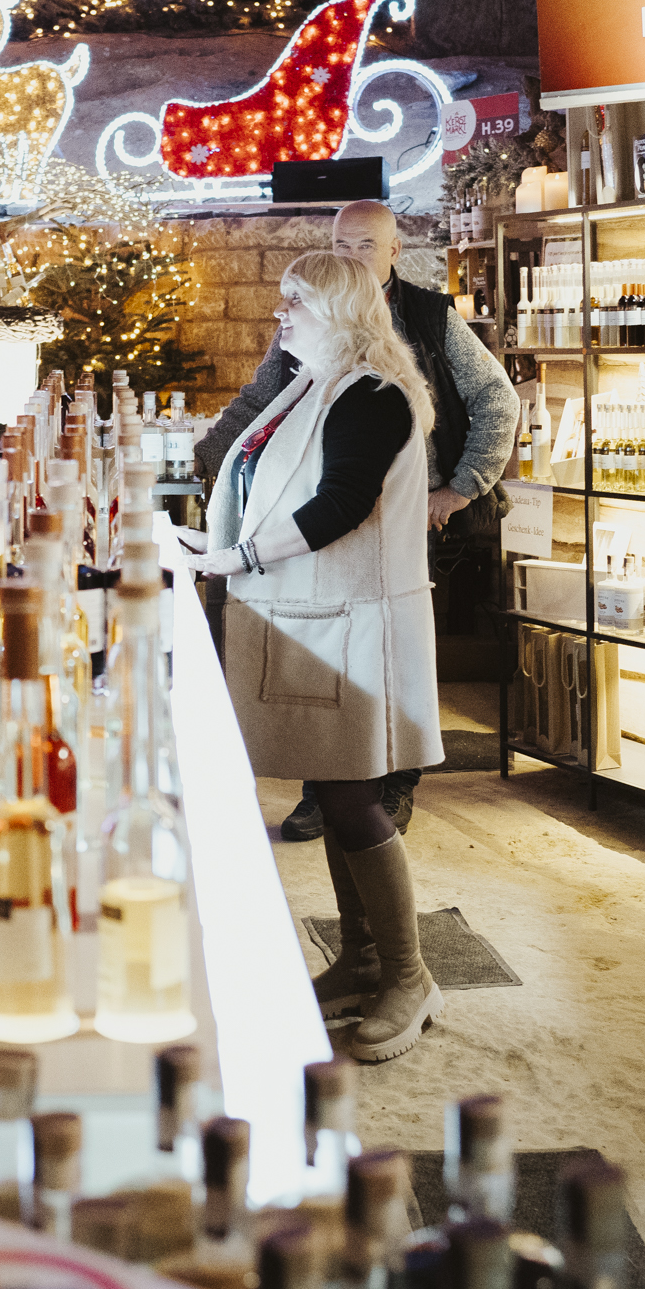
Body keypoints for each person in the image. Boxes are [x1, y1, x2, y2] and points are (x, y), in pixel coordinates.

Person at [197, 198, 518, 841]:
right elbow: (263, 401)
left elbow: (496, 401)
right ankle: (336, 786)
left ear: (394, 251)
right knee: (334, 674)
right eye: (341, 245)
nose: (350, 257)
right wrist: (214, 461)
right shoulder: (312, 332)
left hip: (403, 515)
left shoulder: (421, 326)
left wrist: (458, 490)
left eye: (364, 247)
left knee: (374, 664)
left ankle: (379, 788)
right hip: (327, 529)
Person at [195, 250, 446, 1062]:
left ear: (338, 310)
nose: (280, 315)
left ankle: (409, 976)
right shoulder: (323, 383)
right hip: (317, 617)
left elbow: (340, 503)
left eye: (294, 302)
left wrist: (242, 557)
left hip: (354, 622)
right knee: (333, 791)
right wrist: (220, 539)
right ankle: (365, 959)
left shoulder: (371, 395)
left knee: (355, 797)